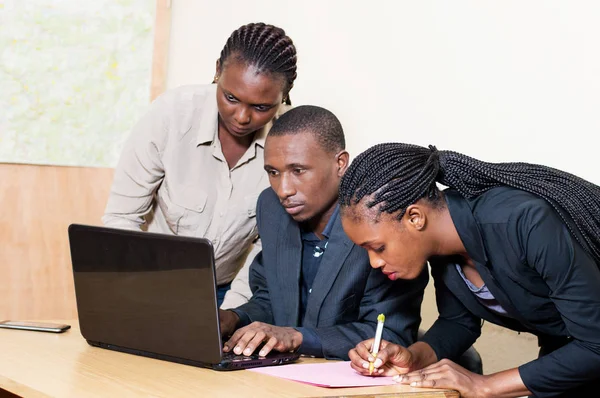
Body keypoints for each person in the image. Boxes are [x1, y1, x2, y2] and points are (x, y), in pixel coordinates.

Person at [338, 142, 600, 397]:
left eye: (378, 247)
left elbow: (595, 344)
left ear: (415, 218)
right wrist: (413, 359)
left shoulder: (524, 222)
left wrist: (485, 386)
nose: (374, 262)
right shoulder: (442, 248)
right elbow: (458, 323)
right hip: (571, 359)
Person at [102, 22, 297, 308]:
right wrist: (134, 291)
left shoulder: (292, 140)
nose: (242, 117)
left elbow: (266, 247)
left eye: (261, 107)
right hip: (149, 281)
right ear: (217, 70)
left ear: (283, 95)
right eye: (231, 98)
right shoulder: (171, 115)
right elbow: (122, 218)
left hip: (229, 292)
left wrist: (232, 313)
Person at [218, 106, 429, 360]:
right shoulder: (271, 208)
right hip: (280, 375)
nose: (283, 189)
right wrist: (235, 318)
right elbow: (271, 299)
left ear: (340, 163)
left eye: (298, 171)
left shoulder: (380, 220)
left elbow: (392, 334)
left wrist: (298, 338)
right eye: (273, 173)